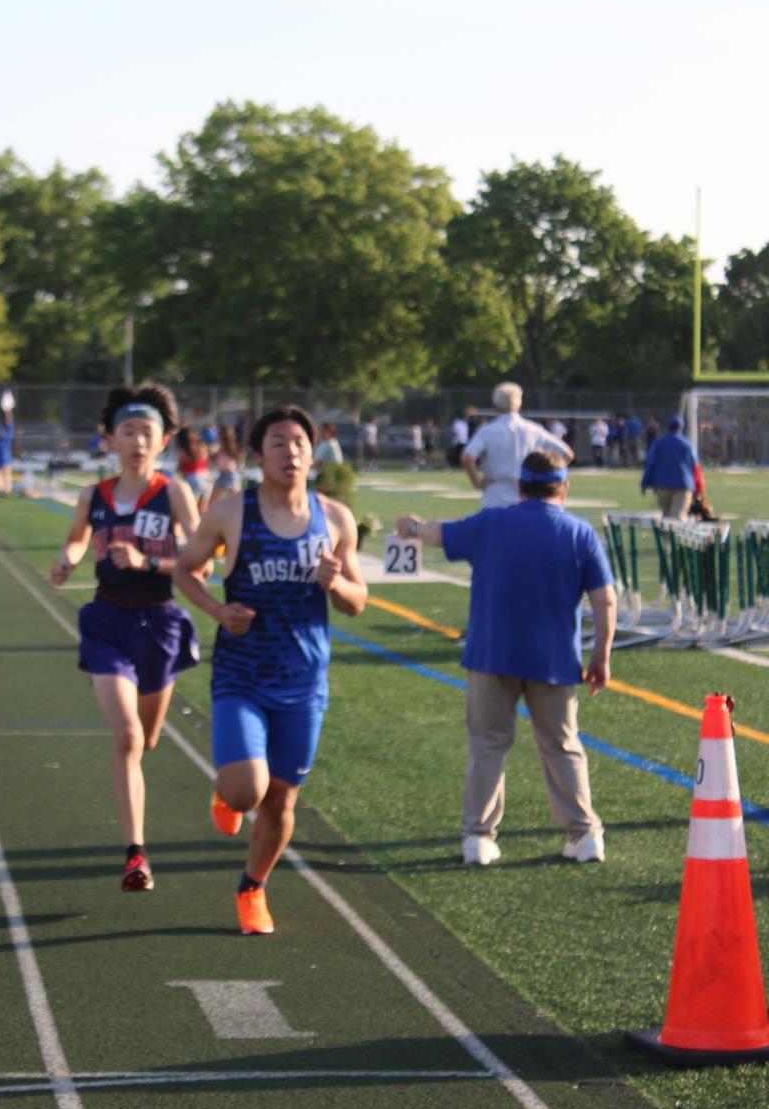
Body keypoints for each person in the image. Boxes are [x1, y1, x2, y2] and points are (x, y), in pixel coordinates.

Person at [174, 406, 368, 935]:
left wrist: (336, 583)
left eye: (300, 442)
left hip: (304, 682)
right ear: (258, 456)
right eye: (279, 443)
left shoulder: (335, 518)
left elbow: (357, 601)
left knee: (282, 798)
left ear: (312, 452)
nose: (292, 452)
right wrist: (218, 612)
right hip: (242, 674)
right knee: (247, 793)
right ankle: (229, 789)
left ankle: (252, 888)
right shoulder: (231, 513)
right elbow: (185, 571)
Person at [397, 450, 615, 866]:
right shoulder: (580, 533)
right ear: (564, 487)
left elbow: (439, 534)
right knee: (562, 747)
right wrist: (600, 657)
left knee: (488, 746)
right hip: (554, 660)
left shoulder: (492, 522)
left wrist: (411, 526)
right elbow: (605, 600)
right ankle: (585, 835)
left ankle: (478, 838)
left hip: (491, 654)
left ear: (519, 487)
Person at [50, 384, 201, 892]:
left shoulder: (174, 493)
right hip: (108, 622)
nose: (137, 441)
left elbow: (202, 561)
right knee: (128, 738)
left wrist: (147, 561)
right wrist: (68, 559)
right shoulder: (93, 496)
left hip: (159, 624)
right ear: (110, 439)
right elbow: (76, 539)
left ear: (163, 441)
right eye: (128, 431)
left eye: (147, 432)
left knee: (148, 739)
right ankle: (136, 855)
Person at [462, 383, 572, 508]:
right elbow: (567, 454)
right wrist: (545, 477)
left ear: (494, 405)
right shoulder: (533, 429)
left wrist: (477, 482)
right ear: (519, 405)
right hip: (528, 495)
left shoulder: (488, 431)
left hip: (496, 496)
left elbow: (467, 457)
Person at [640, 415, 699, 520]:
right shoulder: (688, 444)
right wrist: (698, 487)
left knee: (666, 517)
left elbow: (650, 464)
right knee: (678, 517)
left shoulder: (659, 443)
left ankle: (667, 531)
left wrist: (644, 483)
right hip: (683, 484)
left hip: (662, 485)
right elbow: (695, 467)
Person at [176, 425, 211, 513]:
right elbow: (206, 461)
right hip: (207, 477)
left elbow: (179, 468)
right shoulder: (202, 446)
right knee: (203, 510)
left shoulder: (183, 451)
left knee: (192, 510)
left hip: (192, 479)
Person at [210, 424, 243, 502]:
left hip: (230, 474)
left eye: (219, 434)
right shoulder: (217, 446)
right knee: (212, 499)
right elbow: (213, 458)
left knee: (236, 499)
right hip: (222, 475)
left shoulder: (229, 446)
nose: (217, 436)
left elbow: (238, 456)